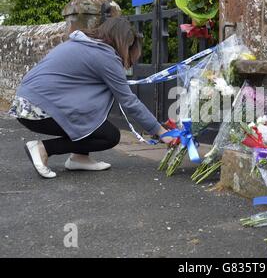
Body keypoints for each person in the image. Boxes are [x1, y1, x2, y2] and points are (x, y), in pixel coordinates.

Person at [9, 18, 173, 179]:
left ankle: (79, 158)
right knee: (108, 136)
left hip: (26, 104)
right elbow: (129, 102)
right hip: (39, 110)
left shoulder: (82, 43)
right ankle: (43, 148)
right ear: (123, 43)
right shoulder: (105, 56)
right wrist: (161, 132)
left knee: (94, 109)